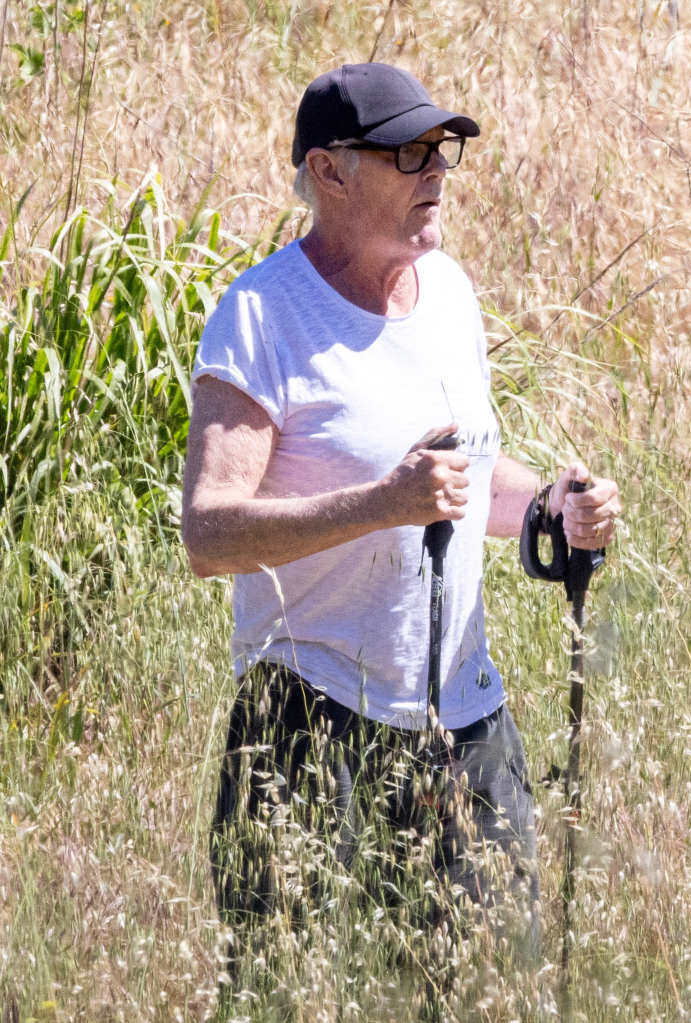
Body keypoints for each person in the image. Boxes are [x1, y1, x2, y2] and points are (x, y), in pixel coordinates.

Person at [182, 62, 621, 974]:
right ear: (329, 171)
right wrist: (381, 503)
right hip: (309, 724)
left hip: (464, 721)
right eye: (408, 151)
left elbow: (466, 474)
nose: (436, 171)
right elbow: (210, 534)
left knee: (491, 984)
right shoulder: (261, 318)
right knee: (287, 992)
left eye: (443, 149)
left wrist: (549, 508)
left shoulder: (448, 291)